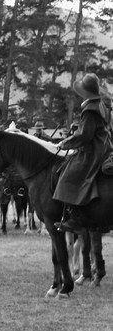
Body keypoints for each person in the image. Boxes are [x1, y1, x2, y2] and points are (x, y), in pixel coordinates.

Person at [53, 73, 111, 233]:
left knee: (67, 175)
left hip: (94, 150)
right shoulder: (100, 105)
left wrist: (65, 143)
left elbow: (84, 135)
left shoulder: (90, 109)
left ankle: (76, 219)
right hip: (104, 145)